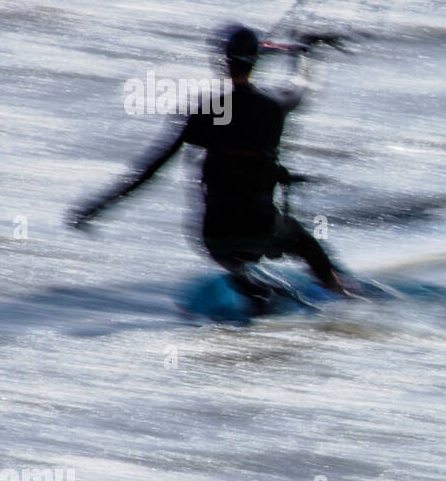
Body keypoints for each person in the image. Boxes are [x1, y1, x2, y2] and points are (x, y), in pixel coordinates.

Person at [69, 24, 349, 305]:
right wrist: (303, 51)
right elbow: (300, 85)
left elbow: (150, 170)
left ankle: (257, 293)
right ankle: (340, 295)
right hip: (261, 228)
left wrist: (99, 207)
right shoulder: (275, 107)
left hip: (215, 237)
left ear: (221, 63)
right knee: (307, 247)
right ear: (255, 62)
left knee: (236, 257)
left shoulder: (203, 113)